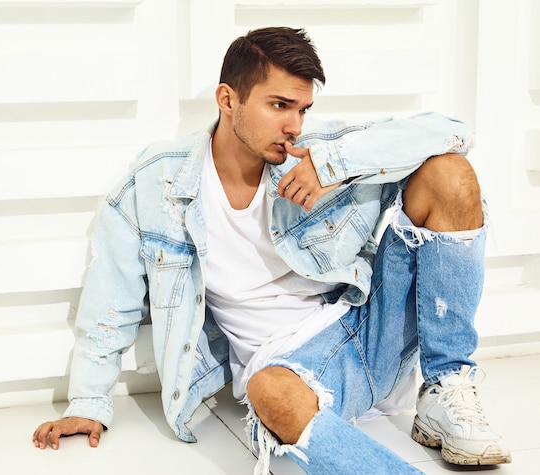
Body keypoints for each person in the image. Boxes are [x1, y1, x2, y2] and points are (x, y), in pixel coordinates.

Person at [33, 27, 511, 474]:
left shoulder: (314, 154)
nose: (295, 126)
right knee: (268, 392)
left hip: (369, 324)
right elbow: (109, 298)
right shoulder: (157, 184)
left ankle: (446, 385)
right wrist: (88, 404)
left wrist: (336, 165)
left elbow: (451, 130)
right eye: (280, 105)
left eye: (302, 109)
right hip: (289, 370)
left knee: (449, 173)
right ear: (228, 99)